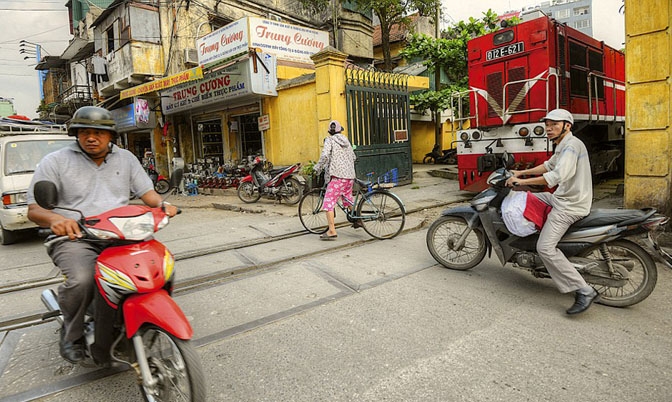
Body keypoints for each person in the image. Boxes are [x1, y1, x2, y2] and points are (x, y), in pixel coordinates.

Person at [26, 106, 178, 364]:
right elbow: (34, 209)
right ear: (76, 135)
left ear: (111, 136)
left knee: (161, 267)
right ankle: (71, 334)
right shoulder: (56, 161)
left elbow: (147, 193)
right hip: (76, 237)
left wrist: (162, 205)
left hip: (123, 235)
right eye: (84, 132)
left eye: (98, 132)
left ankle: (141, 317)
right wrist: (57, 220)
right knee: (83, 279)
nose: (91, 137)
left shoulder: (126, 158)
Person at [505, 108, 598, 315]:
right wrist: (521, 172)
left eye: (554, 124)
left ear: (567, 125)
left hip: (570, 205)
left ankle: (583, 290)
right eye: (547, 124)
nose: (549, 128)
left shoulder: (572, 146)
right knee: (526, 197)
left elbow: (556, 176)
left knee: (545, 248)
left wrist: (522, 181)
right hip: (561, 198)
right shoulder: (563, 145)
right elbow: (548, 166)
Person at [313, 120, 357, 240]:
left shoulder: (329, 140)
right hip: (350, 176)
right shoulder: (346, 140)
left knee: (328, 202)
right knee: (348, 199)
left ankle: (332, 230)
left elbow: (325, 156)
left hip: (338, 177)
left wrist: (317, 168)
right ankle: (357, 220)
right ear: (340, 130)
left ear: (329, 131)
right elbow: (354, 157)